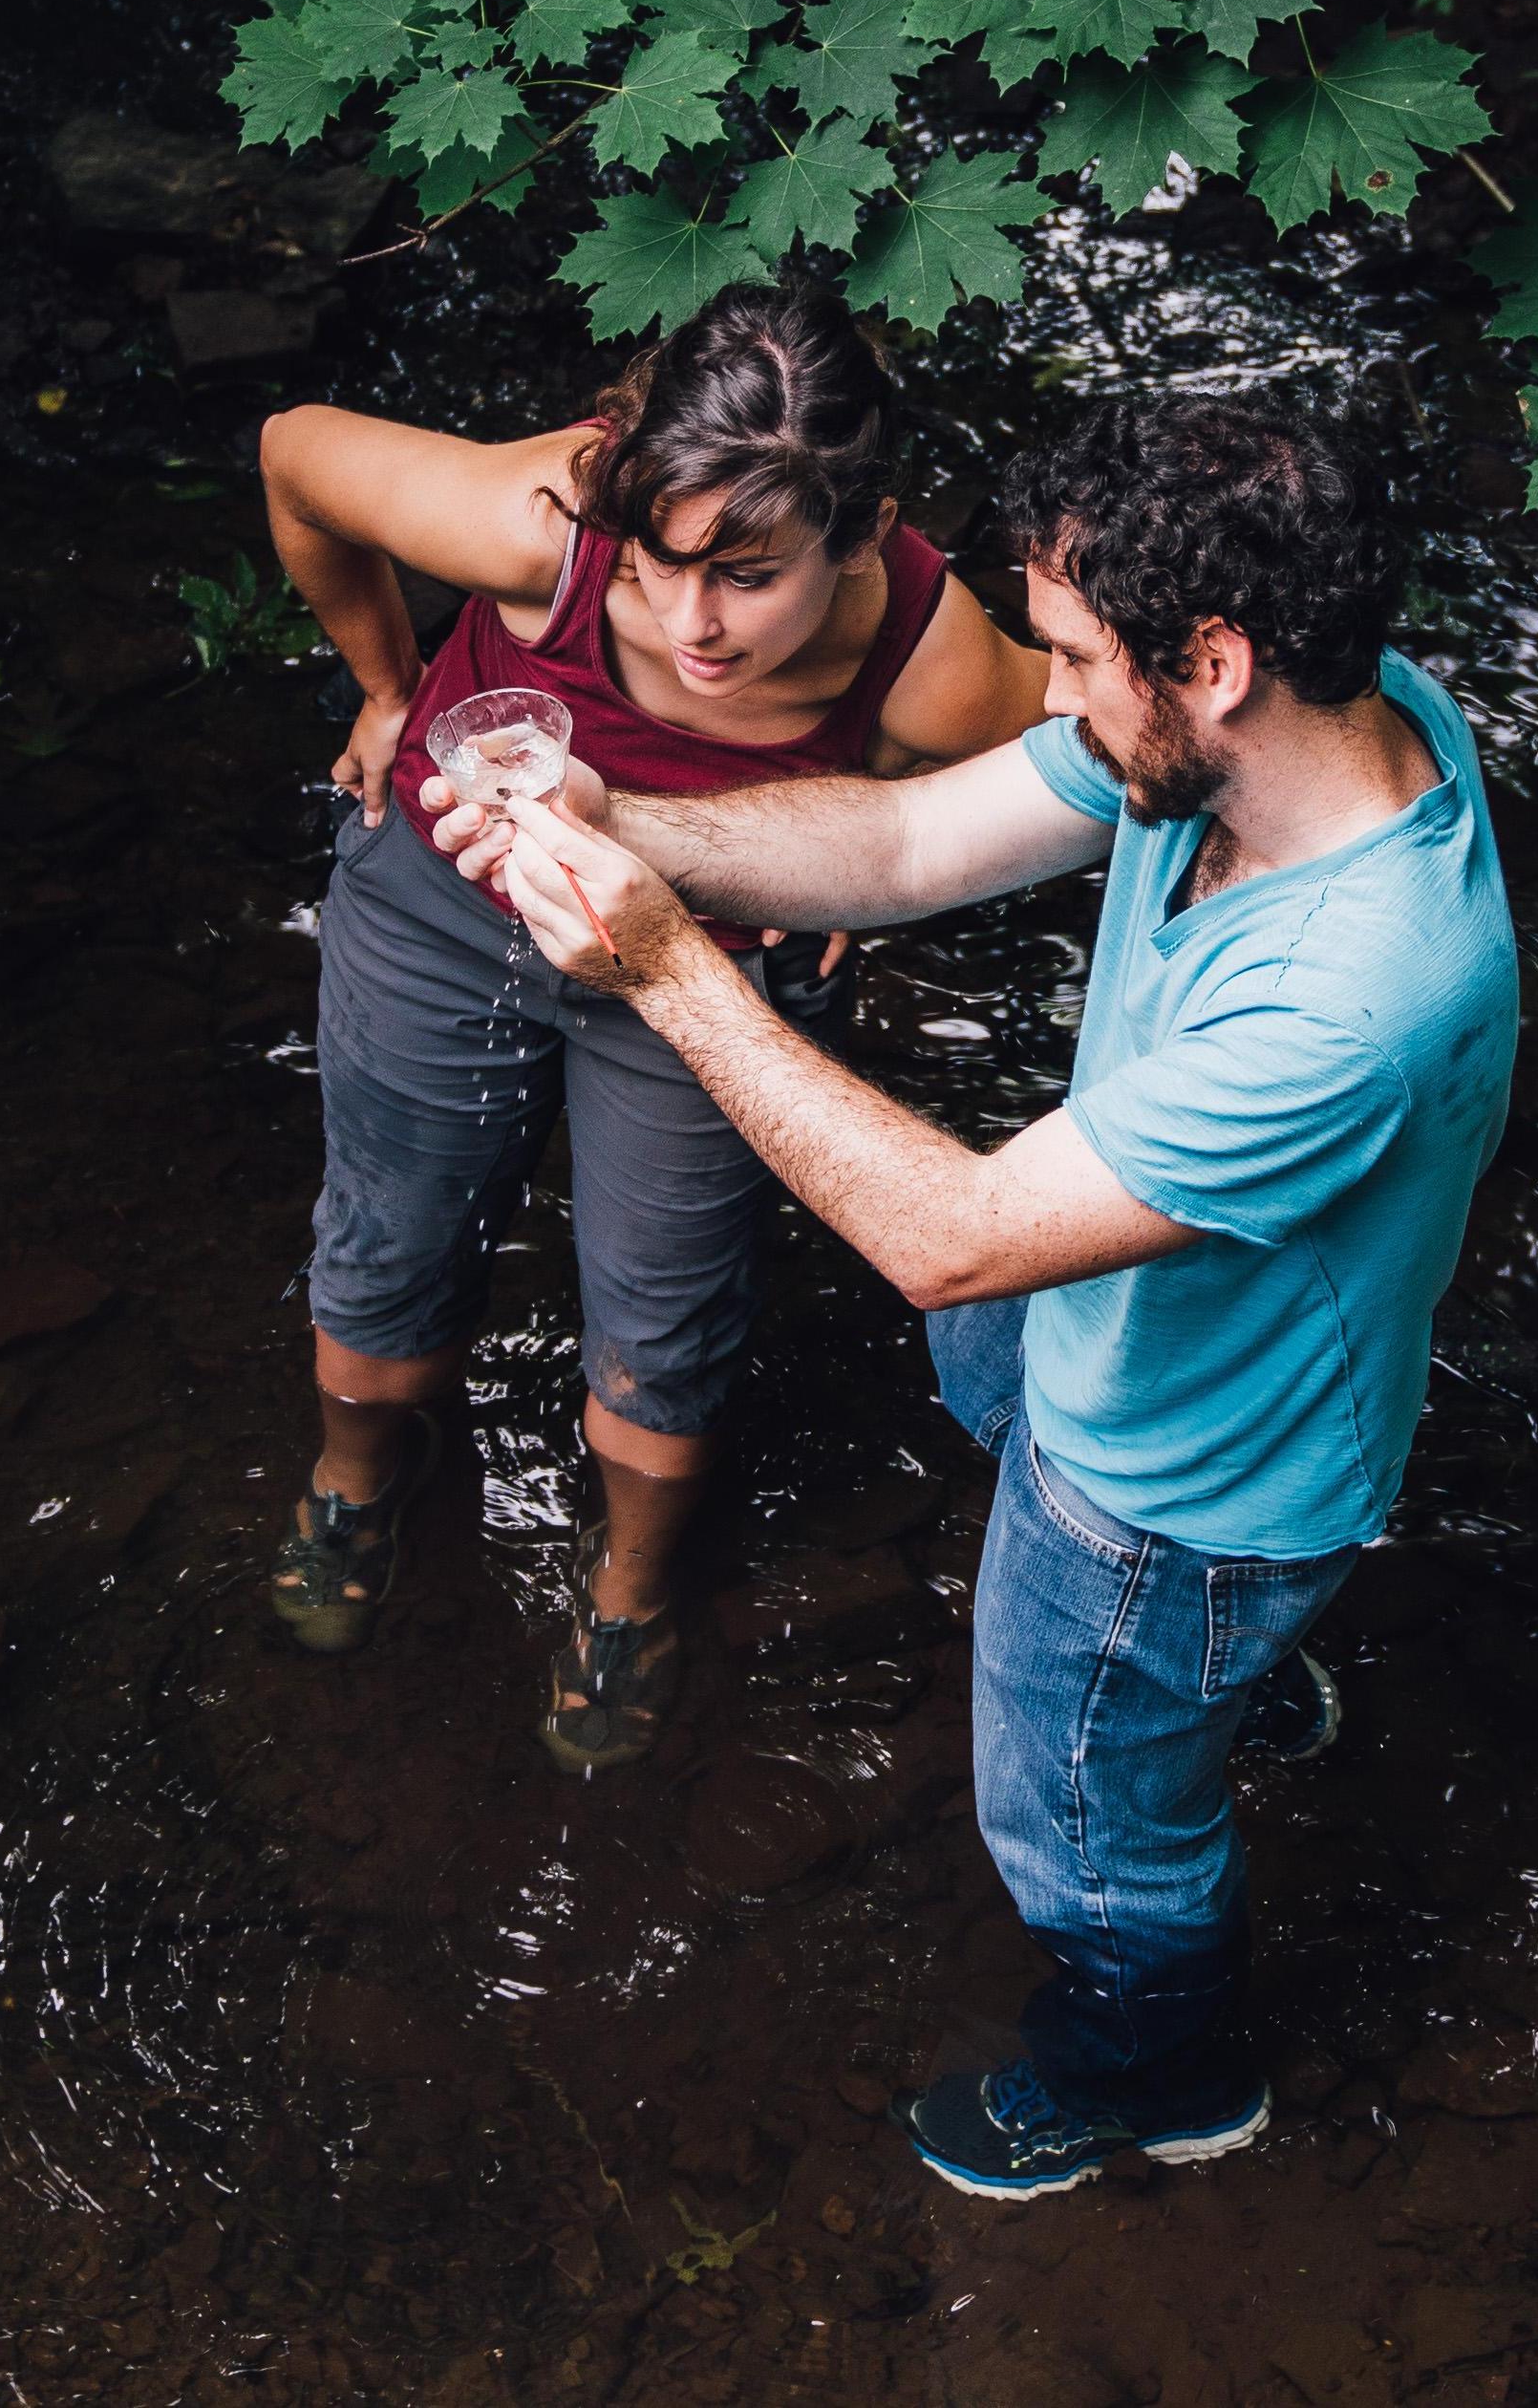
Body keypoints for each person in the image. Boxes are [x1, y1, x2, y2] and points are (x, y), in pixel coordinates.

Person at [429, 398, 1521, 2194]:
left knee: (1083, 1827)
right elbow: (914, 851)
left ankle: (1152, 2074)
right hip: (1128, 1317)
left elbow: (944, 1235)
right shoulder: (1305, 715)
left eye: (1075, 659)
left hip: (1176, 1491)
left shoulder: (1355, 992)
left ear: (1216, 661)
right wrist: (628, 818)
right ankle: (1227, 1691)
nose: (1047, 693)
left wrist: (661, 968)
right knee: (988, 1365)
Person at [260, 284, 1048, 1773]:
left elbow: (1045, 786)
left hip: (708, 965)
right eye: (663, 561)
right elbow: (297, 455)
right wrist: (381, 687)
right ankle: (355, 1479)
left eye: (750, 577)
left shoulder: (938, 665)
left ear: (863, 530)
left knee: (664, 1311)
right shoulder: (539, 524)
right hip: (443, 904)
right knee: (393, 1225)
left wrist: (860, 856)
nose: (694, 623)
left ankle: (625, 1594)